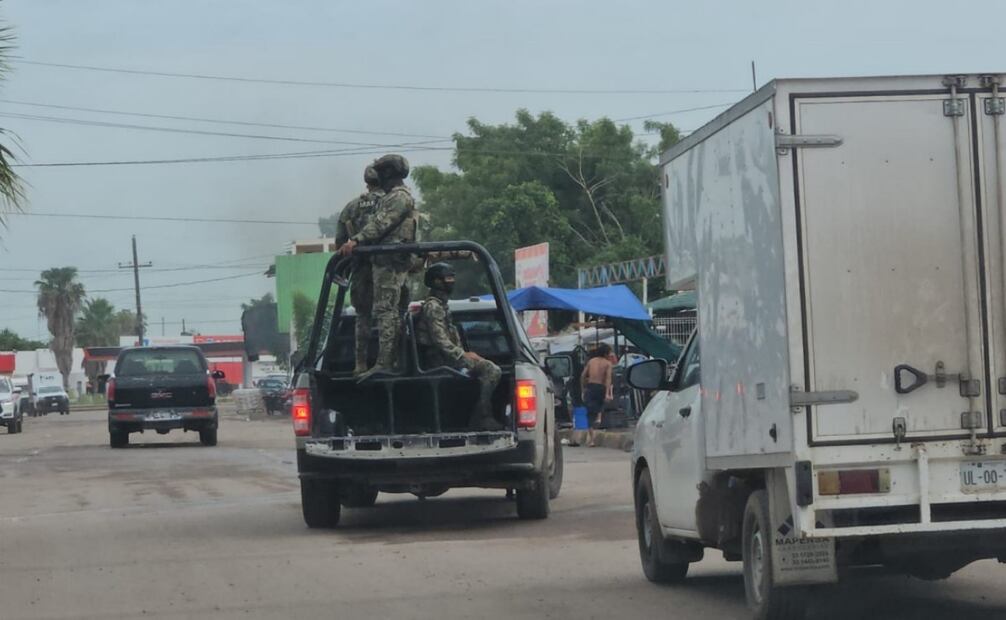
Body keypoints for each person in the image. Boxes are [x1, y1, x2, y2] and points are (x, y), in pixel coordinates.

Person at [339, 154, 417, 379]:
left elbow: (382, 223)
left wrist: (356, 240)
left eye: (382, 172)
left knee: (385, 311)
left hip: (389, 262)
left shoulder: (398, 197)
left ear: (388, 173)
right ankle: (388, 362)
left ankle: (385, 363)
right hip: (388, 262)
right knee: (391, 311)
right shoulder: (392, 197)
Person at [415, 263, 503, 431]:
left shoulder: (441, 305)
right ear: (437, 281)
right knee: (492, 370)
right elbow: (440, 341)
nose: (452, 282)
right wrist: (462, 355)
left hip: (446, 358)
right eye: (448, 279)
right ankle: (482, 417)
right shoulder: (433, 307)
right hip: (440, 360)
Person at [334, 166, 384, 375]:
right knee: (392, 313)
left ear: (367, 182)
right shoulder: (391, 203)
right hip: (387, 268)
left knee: (363, 315)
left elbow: (340, 241)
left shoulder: (351, 207)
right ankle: (391, 361)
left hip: (360, 269)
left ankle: (361, 364)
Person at [581, 343, 613, 447]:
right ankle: (598, 417)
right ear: (606, 353)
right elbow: (608, 379)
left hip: (591, 387)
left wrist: (583, 389)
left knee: (589, 414)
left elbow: (583, 375)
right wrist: (607, 393)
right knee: (600, 406)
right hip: (601, 387)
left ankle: (591, 440)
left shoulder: (591, 361)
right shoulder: (608, 364)